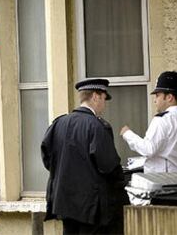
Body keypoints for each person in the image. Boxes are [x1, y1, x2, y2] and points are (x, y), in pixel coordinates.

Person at [41, 78, 129, 235]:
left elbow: (48, 159)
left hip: (65, 203)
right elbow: (108, 165)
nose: (104, 103)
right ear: (95, 96)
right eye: (103, 98)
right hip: (91, 207)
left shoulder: (58, 124)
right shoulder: (97, 126)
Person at [120, 71, 177, 173]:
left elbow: (148, 149)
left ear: (169, 97)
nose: (155, 100)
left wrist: (127, 134)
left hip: (163, 182)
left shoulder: (162, 120)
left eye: (157, 95)